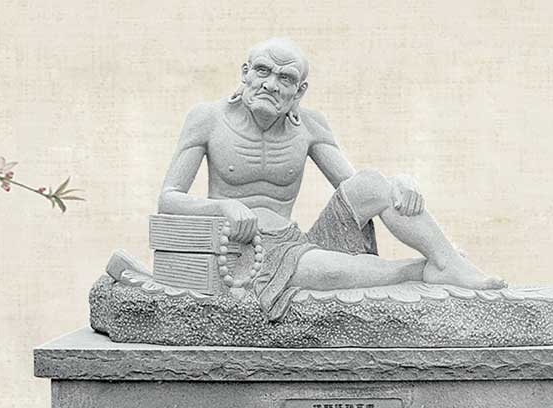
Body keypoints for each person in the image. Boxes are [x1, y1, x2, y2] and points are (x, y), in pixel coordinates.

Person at [159, 38, 505, 319]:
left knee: (376, 183)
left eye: (285, 79)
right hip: (248, 253)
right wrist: (223, 207)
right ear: (245, 73)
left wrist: (398, 184)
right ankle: (423, 269)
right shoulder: (207, 119)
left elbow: (356, 187)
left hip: (293, 242)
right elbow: (169, 197)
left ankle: (447, 262)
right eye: (263, 71)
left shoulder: (310, 126)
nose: (270, 84)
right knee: (330, 273)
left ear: (299, 91)